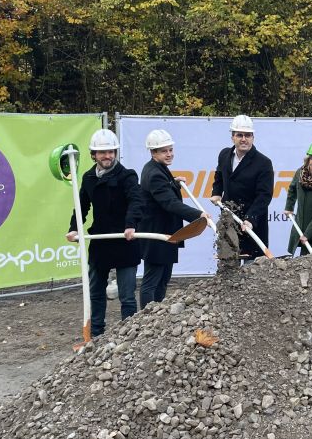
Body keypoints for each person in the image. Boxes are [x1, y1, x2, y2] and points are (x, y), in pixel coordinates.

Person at [66, 128, 144, 338]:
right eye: (102, 152)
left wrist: (130, 225)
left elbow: (136, 201)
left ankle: (129, 336)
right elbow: (81, 206)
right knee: (96, 292)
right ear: (94, 155)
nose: (107, 156)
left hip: (125, 240)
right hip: (100, 242)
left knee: (127, 295)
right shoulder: (89, 177)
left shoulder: (127, 175)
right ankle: (96, 335)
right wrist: (74, 228)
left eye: (111, 151)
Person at [138, 129, 207, 308]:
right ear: (153, 153)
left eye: (170, 149)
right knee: (153, 279)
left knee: (163, 278)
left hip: (166, 233)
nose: (169, 154)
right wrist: (198, 215)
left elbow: (163, 191)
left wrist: (174, 182)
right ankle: (146, 318)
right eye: (164, 151)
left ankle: (158, 313)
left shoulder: (157, 169)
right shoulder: (154, 174)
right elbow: (170, 203)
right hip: (157, 235)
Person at [209, 115, 274, 260]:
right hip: (228, 219)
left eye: (248, 135)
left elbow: (264, 195)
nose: (244, 139)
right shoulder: (224, 155)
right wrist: (217, 192)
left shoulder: (263, 163)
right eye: (239, 135)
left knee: (252, 267)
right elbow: (219, 175)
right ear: (233, 137)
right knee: (228, 263)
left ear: (253, 137)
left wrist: (251, 219)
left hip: (252, 224)